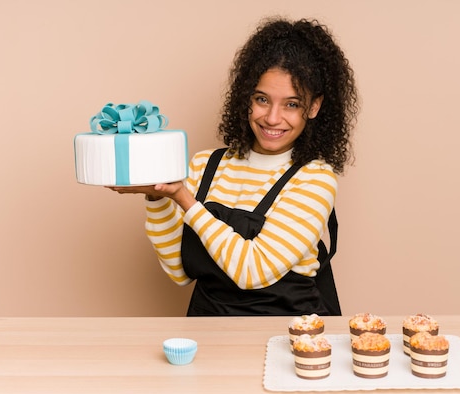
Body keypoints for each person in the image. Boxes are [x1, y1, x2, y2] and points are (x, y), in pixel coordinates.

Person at [110, 17, 359, 316]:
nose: (272, 117)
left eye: (291, 104)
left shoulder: (315, 178)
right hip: (205, 330)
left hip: (288, 339)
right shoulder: (205, 164)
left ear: (315, 107)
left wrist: (184, 199)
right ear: (246, 98)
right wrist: (157, 197)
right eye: (262, 99)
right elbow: (179, 272)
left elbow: (251, 272)